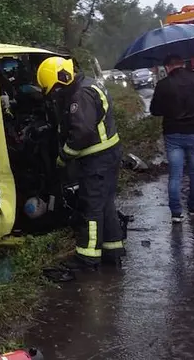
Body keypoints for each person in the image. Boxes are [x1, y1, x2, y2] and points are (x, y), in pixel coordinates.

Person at [36, 56, 125, 270]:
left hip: (97, 159)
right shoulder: (88, 85)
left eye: (55, 89)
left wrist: (65, 155)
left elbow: (82, 132)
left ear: (62, 80)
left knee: (91, 207)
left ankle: (88, 257)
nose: (56, 94)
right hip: (108, 156)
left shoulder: (80, 95)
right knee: (105, 205)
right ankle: (112, 251)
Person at [149, 54, 194, 223]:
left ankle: (176, 213)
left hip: (173, 134)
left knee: (175, 174)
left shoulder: (163, 85)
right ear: (182, 64)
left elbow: (154, 110)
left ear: (168, 66)